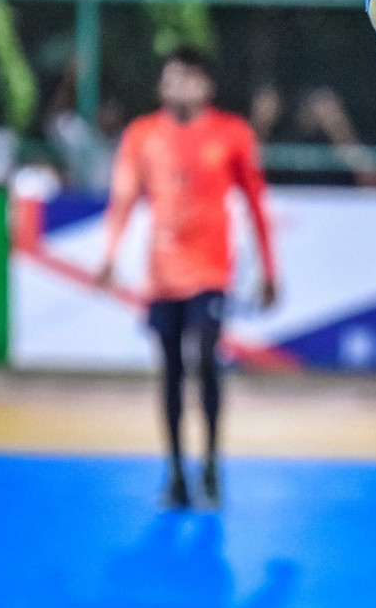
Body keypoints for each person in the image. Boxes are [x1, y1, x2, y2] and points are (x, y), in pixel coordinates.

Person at [96, 46, 278, 509]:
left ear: (206, 86)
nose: (179, 86)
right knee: (171, 372)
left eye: (189, 77)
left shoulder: (231, 133)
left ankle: (213, 467)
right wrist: (109, 253)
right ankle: (176, 474)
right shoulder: (142, 135)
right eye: (171, 77)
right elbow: (123, 198)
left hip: (211, 274)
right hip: (162, 278)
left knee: (208, 363)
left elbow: (257, 204)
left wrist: (270, 271)